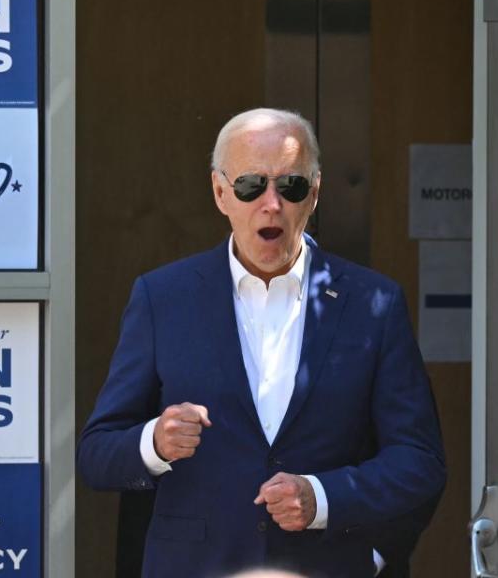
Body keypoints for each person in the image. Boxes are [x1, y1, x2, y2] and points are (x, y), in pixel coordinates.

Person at [77, 108, 446, 578]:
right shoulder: (163, 297)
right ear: (220, 193)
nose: (271, 204)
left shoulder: (373, 302)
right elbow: (96, 454)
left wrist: (324, 498)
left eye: (290, 186)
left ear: (314, 193)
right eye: (251, 185)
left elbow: (420, 460)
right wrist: (155, 442)